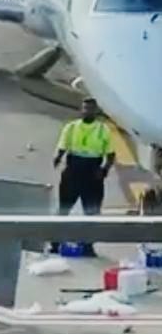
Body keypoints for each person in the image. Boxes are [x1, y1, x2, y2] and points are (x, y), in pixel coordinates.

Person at [50, 98, 115, 257]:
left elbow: (111, 154)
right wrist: (57, 158)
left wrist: (104, 169)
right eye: (85, 108)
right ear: (81, 109)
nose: (87, 111)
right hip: (73, 170)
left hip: (93, 173)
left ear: (96, 111)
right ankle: (55, 244)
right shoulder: (71, 127)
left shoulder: (103, 130)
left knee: (92, 212)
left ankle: (88, 246)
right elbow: (62, 147)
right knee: (64, 209)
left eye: (90, 109)